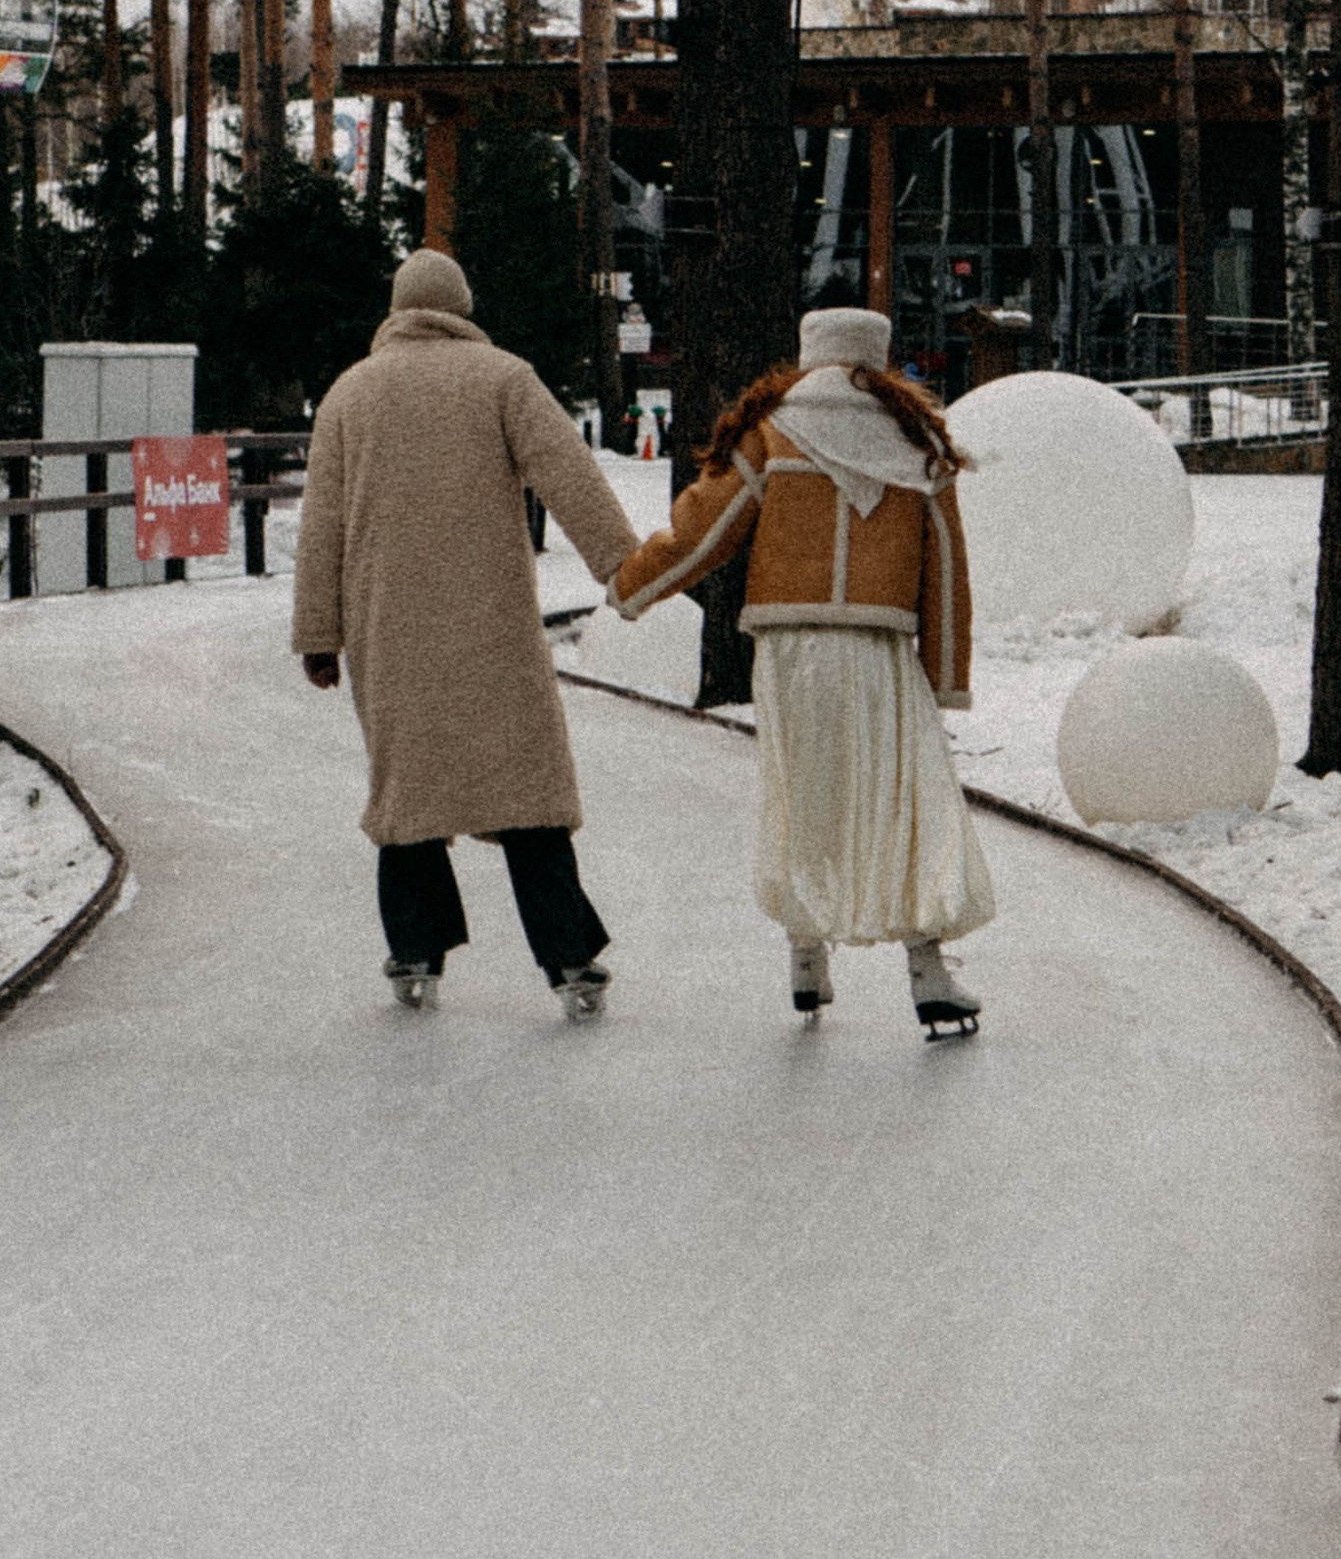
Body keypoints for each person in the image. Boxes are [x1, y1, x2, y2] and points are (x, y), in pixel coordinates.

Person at [608, 306, 994, 1037]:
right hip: (879, 648)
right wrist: (945, 676)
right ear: (879, 358)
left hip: (789, 649)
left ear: (808, 353)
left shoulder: (771, 431)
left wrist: (633, 586)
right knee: (906, 803)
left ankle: (806, 961)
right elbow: (948, 570)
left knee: (802, 798)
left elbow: (704, 532)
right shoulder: (919, 443)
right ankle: (928, 971)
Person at [293, 248, 639, 1019]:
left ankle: (415, 950)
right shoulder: (504, 379)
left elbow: (322, 526)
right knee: (527, 790)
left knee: (407, 792)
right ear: (461, 309)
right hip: (495, 626)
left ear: (397, 309)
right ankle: (570, 957)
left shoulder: (350, 393)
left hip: (388, 629)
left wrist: (320, 634)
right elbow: (571, 474)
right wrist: (624, 566)